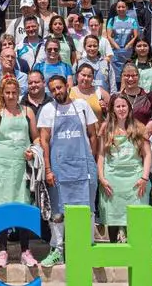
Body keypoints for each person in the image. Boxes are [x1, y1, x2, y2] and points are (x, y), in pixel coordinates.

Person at [37, 74, 98, 267]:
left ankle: (88, 249)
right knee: (58, 212)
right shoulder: (47, 110)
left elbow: (93, 135)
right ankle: (58, 250)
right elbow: (44, 141)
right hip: (59, 169)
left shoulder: (82, 106)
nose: (57, 92)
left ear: (67, 86)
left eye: (59, 87)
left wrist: (92, 160)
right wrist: (48, 169)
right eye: (53, 90)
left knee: (87, 210)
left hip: (84, 167)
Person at [0, 76, 39, 267]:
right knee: (1, 206)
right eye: (7, 92)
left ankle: (25, 250)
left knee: (23, 206)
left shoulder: (28, 112)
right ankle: (3, 251)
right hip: (2, 166)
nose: (10, 96)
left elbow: (36, 138)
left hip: (22, 166)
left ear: (19, 93)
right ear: (2, 93)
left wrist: (33, 150)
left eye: (14, 92)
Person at [97, 94, 152, 241]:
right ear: (112, 109)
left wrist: (144, 177)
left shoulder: (139, 127)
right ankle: (115, 249)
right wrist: (101, 178)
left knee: (135, 218)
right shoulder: (106, 128)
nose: (121, 109)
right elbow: (101, 155)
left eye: (124, 106)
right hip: (112, 179)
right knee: (113, 218)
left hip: (135, 180)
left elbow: (147, 154)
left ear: (129, 108)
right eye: (118, 106)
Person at [106, 0, 139, 86]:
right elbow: (109, 36)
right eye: (119, 7)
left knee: (128, 74)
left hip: (128, 52)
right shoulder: (112, 20)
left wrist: (127, 46)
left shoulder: (132, 21)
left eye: (123, 7)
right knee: (116, 77)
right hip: (115, 52)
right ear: (116, 8)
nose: (121, 9)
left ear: (126, 8)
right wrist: (117, 47)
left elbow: (135, 36)